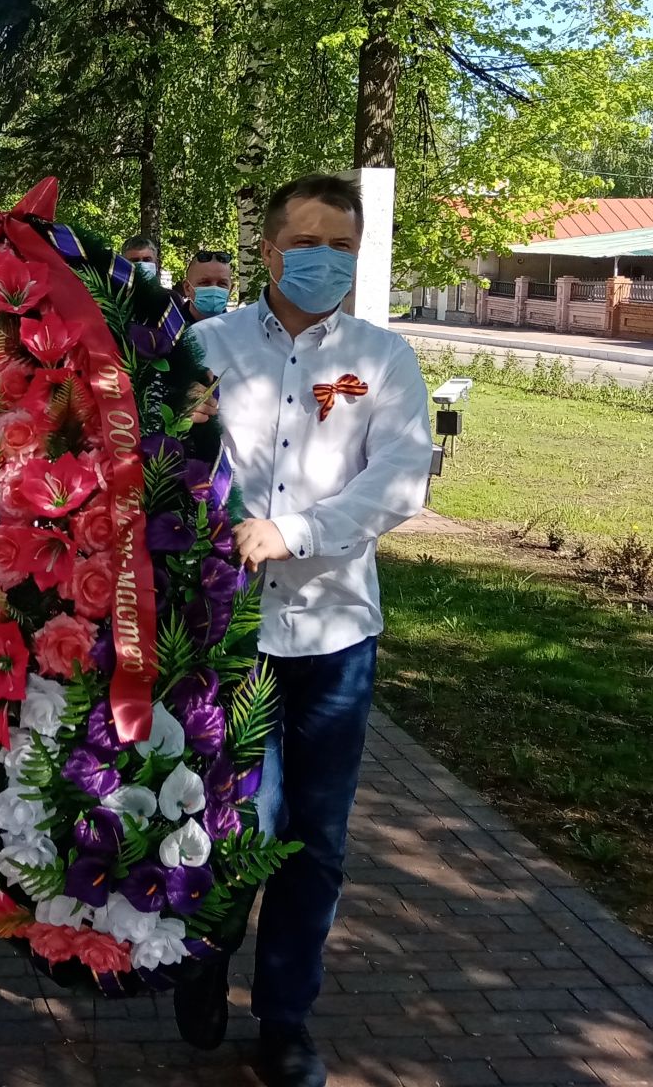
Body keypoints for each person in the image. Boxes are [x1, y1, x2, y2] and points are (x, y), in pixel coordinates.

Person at [175, 174, 433, 1087]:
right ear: (271, 250)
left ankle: (284, 1017)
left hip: (333, 640)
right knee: (235, 819)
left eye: (344, 247)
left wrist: (298, 530)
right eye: (311, 242)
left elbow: (404, 475)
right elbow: (165, 462)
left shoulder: (382, 357)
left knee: (314, 839)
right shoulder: (203, 347)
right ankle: (200, 953)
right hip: (227, 635)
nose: (327, 261)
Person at [180, 249, 234, 323]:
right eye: (205, 283)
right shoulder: (168, 329)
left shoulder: (240, 330)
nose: (214, 289)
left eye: (222, 284)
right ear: (187, 288)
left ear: (231, 289)